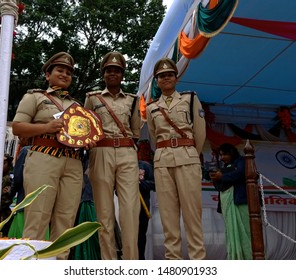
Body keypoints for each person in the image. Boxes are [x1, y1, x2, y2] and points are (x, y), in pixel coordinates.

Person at [12, 51, 95, 260]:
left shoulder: (77, 106)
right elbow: (17, 127)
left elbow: (83, 134)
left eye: (68, 72)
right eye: (60, 70)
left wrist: (89, 140)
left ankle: (59, 266)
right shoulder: (35, 97)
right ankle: (32, 267)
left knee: (66, 221)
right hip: (43, 156)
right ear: (48, 74)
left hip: (73, 162)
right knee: (38, 217)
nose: (65, 74)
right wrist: (46, 127)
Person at [145, 58, 206, 260]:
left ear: (176, 78)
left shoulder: (189, 99)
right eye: (161, 76)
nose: (166, 78)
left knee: (192, 215)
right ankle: (173, 261)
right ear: (157, 81)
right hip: (163, 163)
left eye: (169, 74)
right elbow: (155, 138)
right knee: (168, 216)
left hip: (188, 159)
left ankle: (198, 260)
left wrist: (190, 155)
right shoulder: (152, 107)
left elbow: (200, 131)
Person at [84, 51, 141, 260]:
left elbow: (136, 132)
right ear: (103, 74)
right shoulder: (92, 99)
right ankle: (108, 264)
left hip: (127, 152)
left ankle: (131, 263)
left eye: (117, 71)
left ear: (123, 75)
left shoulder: (133, 101)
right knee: (104, 213)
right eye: (109, 70)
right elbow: (85, 127)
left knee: (130, 212)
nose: (113, 74)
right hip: (100, 151)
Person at [209, 143, 252, 259]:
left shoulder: (241, 161)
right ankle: (236, 257)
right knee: (232, 230)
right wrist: (216, 177)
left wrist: (221, 177)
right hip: (230, 203)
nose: (222, 158)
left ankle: (249, 258)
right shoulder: (226, 167)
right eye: (220, 155)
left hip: (240, 201)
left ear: (231, 153)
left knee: (245, 231)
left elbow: (240, 174)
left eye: (224, 155)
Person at [138, 159, 155, 260]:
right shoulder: (121, 165)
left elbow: (154, 184)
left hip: (143, 207)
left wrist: (140, 183)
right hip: (127, 206)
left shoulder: (145, 165)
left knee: (141, 236)